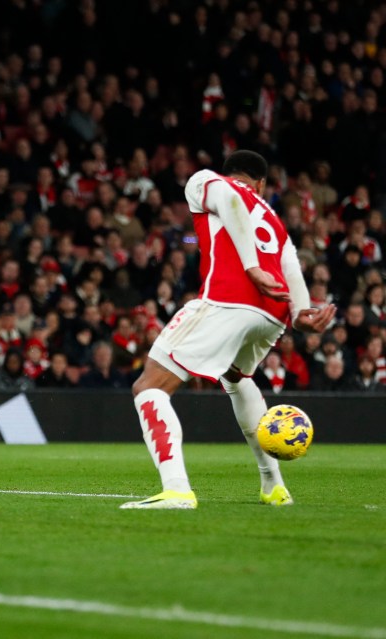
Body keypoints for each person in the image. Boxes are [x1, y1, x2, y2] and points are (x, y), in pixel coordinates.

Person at [121, 151, 335, 510]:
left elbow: (231, 198)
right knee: (237, 379)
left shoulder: (206, 181)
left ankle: (176, 490)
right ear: (262, 184)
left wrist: (250, 268)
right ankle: (274, 486)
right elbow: (289, 258)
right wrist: (301, 314)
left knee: (149, 386)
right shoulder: (272, 217)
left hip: (229, 299)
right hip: (272, 315)